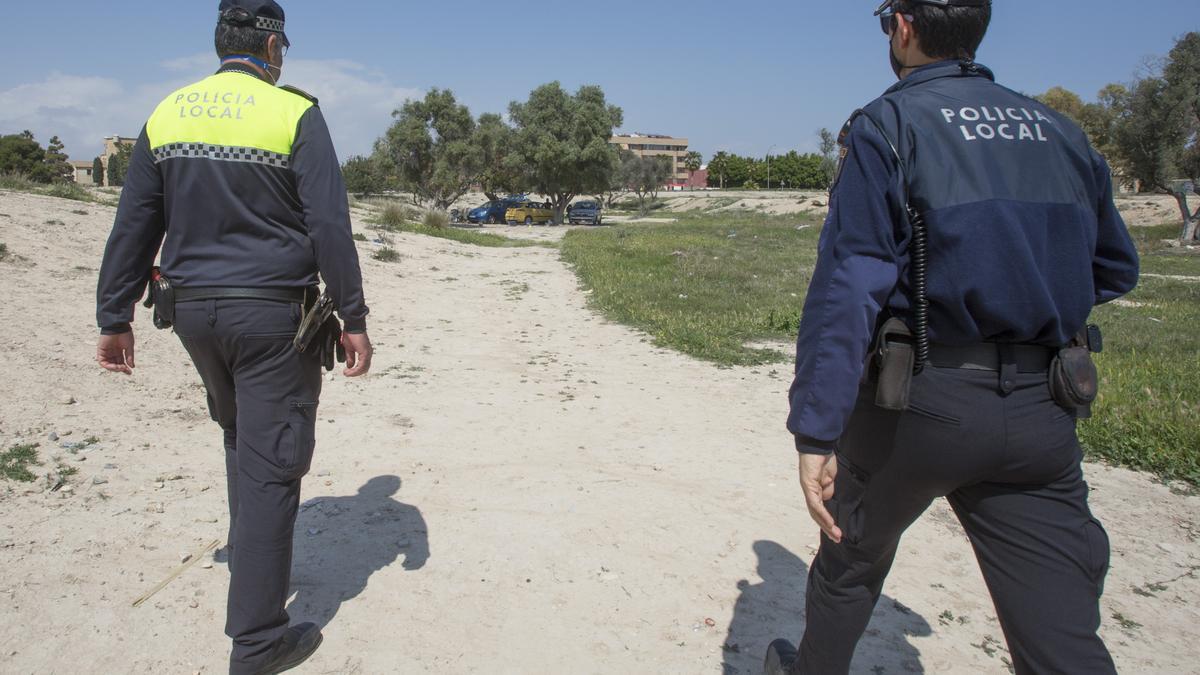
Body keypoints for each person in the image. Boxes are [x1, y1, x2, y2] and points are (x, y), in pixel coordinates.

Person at [765, 1, 1139, 673]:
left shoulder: (889, 125)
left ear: (903, 26)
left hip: (918, 407)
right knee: (1060, 633)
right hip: (1042, 412)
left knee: (849, 560)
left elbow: (851, 286)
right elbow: (1115, 265)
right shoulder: (1061, 130)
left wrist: (816, 430)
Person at [95, 1, 372, 672]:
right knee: (275, 461)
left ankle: (250, 563)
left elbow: (135, 221)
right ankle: (257, 642)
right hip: (272, 318)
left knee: (242, 435)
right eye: (285, 49)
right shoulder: (294, 113)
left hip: (191, 315)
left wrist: (114, 315)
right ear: (272, 47)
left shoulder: (169, 112)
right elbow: (329, 225)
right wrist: (354, 316)